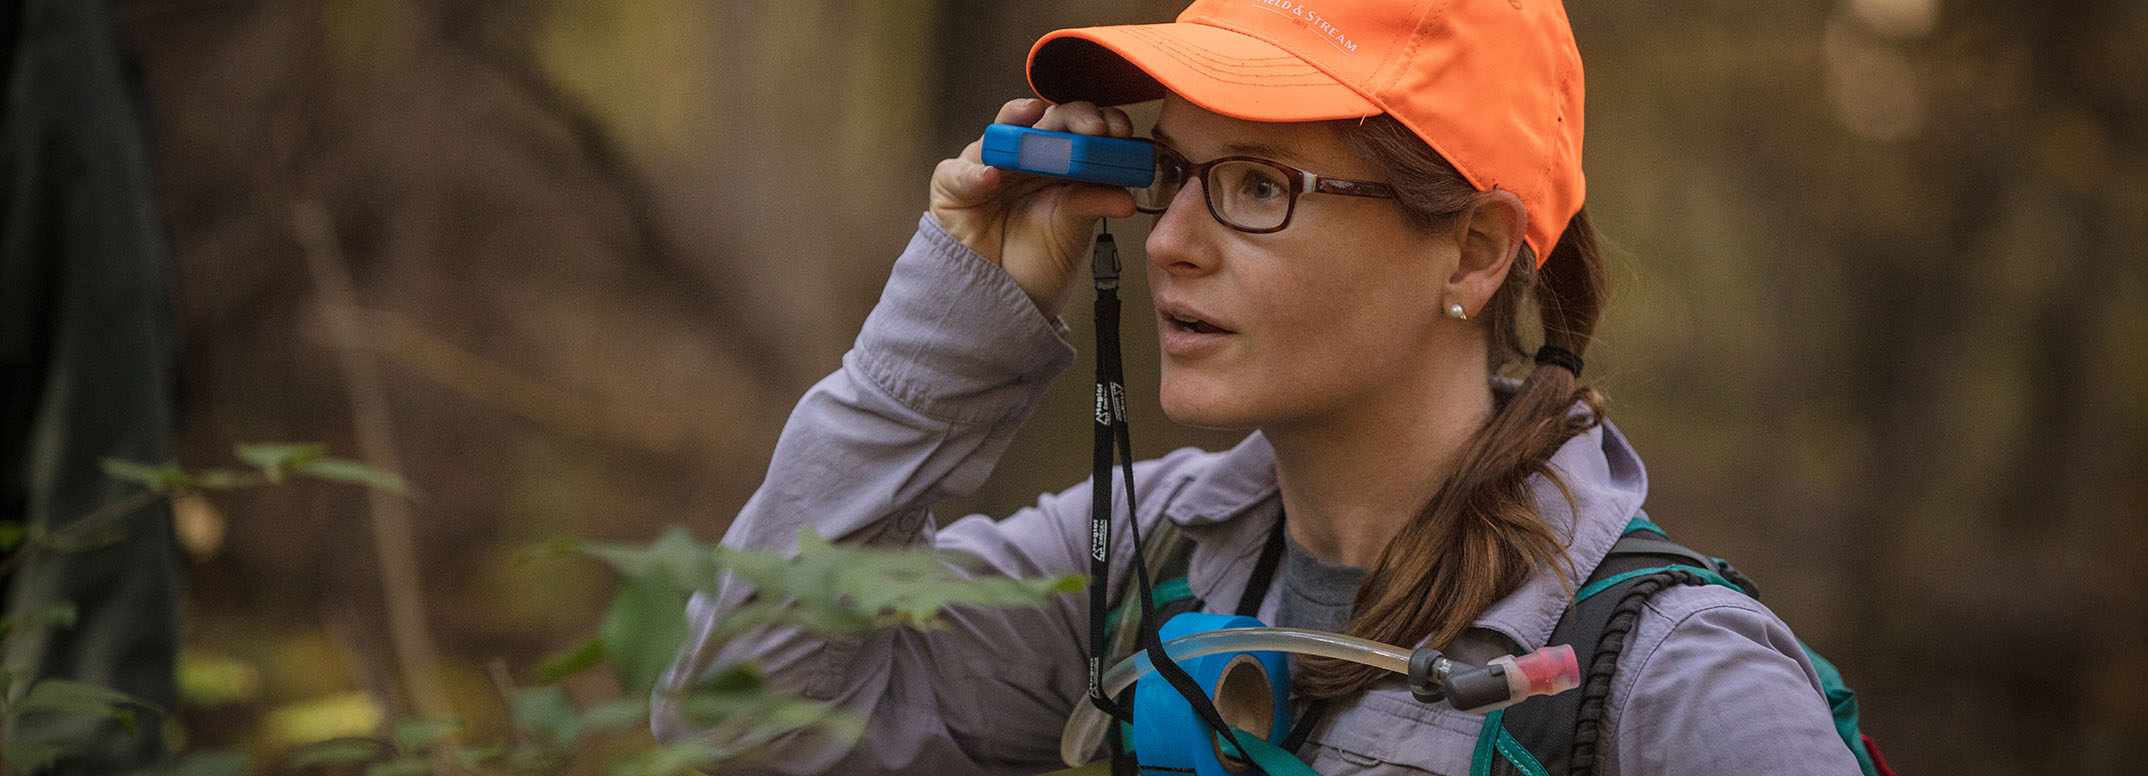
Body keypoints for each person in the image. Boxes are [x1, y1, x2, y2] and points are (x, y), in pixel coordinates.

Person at [654, 1, 1862, 773]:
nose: (1173, 241)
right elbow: (735, 721)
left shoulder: (1669, 675)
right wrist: (952, 322)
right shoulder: (1145, 562)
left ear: (1474, 250)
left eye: (1259, 184)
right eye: (1173, 171)